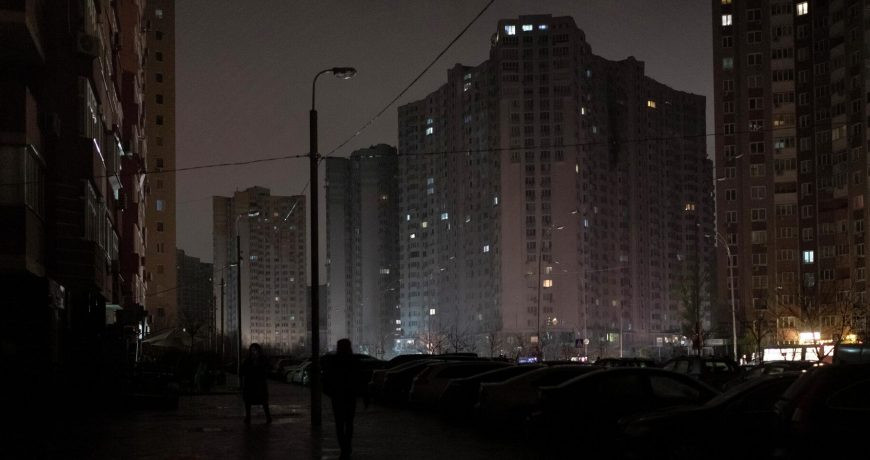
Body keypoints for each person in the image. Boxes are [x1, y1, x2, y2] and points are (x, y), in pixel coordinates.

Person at [322, 339, 368, 459]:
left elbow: (326, 380)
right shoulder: (354, 361)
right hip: (350, 397)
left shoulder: (333, 362)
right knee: (349, 423)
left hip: (338, 398)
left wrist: (331, 393)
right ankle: (347, 446)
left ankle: (344, 448)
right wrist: (364, 396)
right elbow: (362, 380)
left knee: (339, 424)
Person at [240, 343, 272, 424]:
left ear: (258, 350)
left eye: (255, 350)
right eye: (252, 350)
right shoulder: (248, 360)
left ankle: (268, 417)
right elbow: (243, 370)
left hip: (259, 385)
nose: (253, 352)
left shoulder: (262, 359)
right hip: (250, 385)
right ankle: (248, 417)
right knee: (248, 402)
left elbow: (267, 368)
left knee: (264, 401)